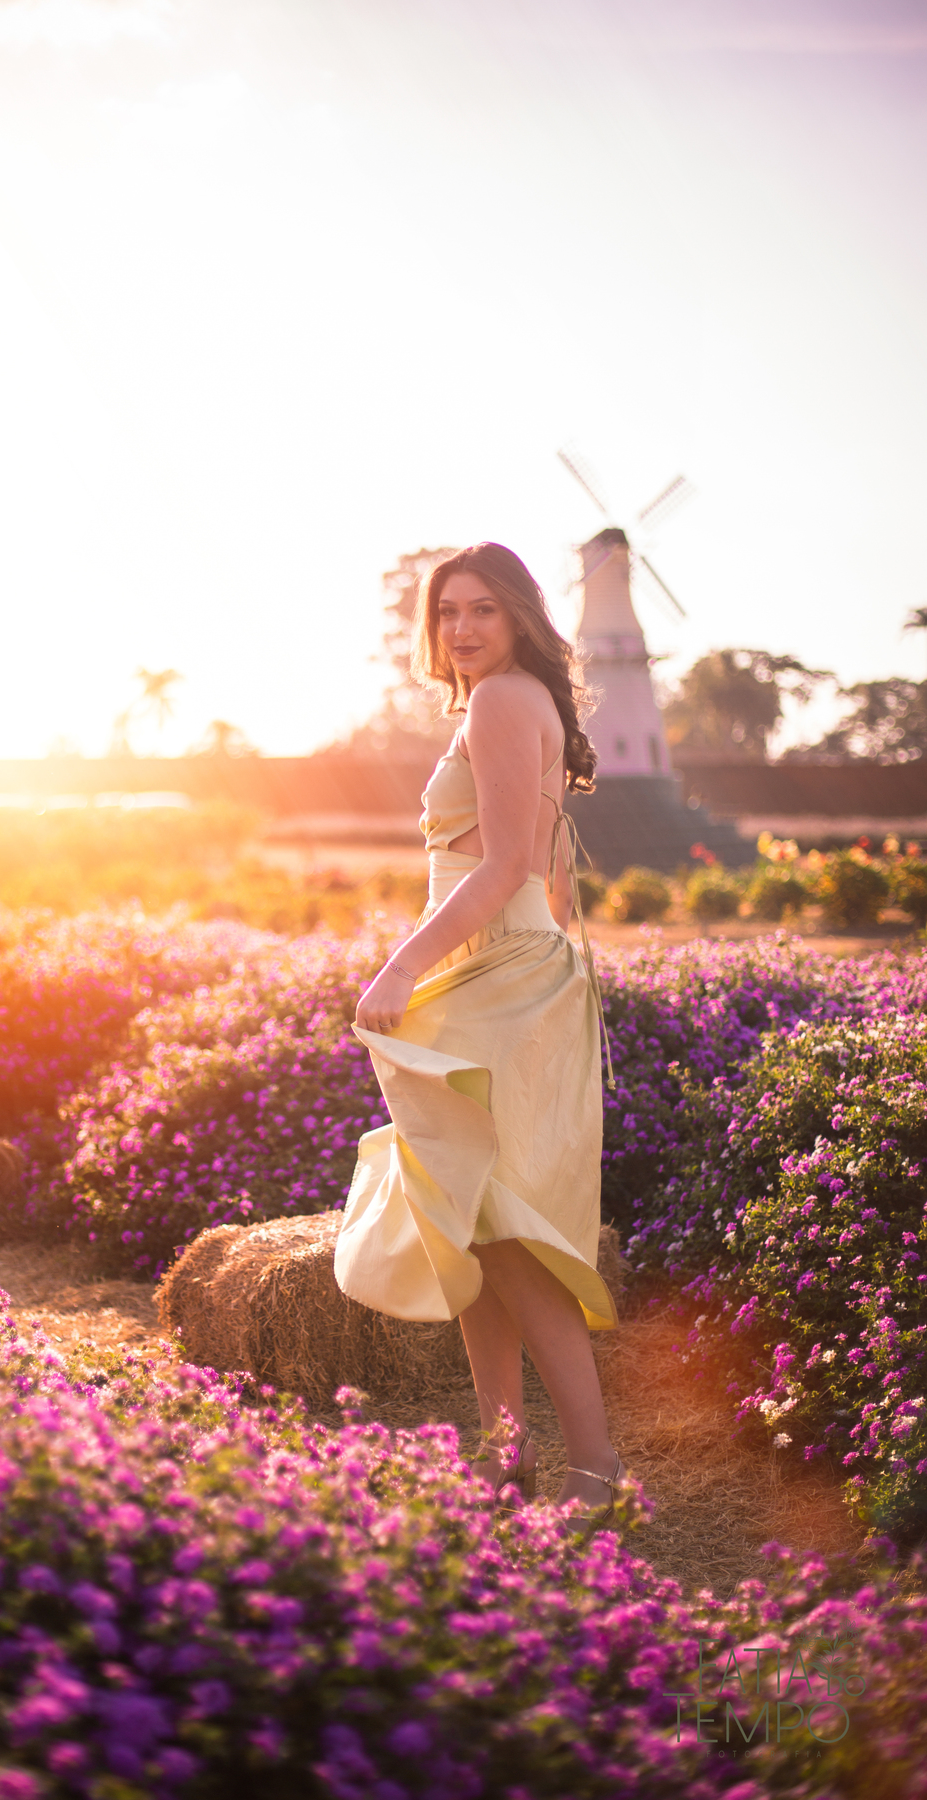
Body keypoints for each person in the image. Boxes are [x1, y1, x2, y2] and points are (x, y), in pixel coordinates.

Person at [334, 541, 621, 1527]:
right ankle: (504, 1461)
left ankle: (595, 1470)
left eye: (482, 610)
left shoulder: (503, 700)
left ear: (520, 619)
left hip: (491, 976)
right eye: (446, 611)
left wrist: (405, 964)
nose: (460, 628)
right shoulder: (515, 700)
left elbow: (501, 867)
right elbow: (551, 872)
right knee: (473, 1224)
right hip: (502, 976)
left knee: (509, 1236)